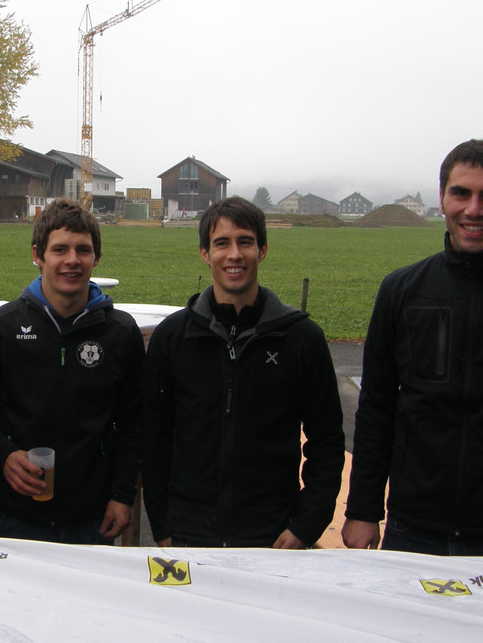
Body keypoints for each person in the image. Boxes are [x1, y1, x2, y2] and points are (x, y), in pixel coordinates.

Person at [343, 139, 483, 556]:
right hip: (413, 525)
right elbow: (377, 405)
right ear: (443, 199)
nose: (474, 209)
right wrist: (362, 509)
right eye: (461, 193)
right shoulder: (403, 291)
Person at [142, 196, 344, 548]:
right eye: (222, 243)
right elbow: (154, 439)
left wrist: (305, 526)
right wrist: (164, 527)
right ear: (205, 253)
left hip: (273, 537)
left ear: (262, 250)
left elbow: (326, 441)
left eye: (245, 242)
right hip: (188, 535)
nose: (234, 254)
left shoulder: (301, 339)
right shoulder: (172, 338)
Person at [0, 198, 144, 544]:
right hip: (12, 516)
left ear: (96, 258)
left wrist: (122, 494)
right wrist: (3, 455)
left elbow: (134, 422)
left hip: (92, 519)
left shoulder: (121, 334)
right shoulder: (1, 328)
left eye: (83, 250)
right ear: (38, 255)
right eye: (60, 249)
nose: (72, 260)